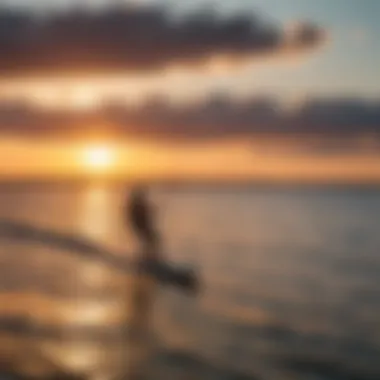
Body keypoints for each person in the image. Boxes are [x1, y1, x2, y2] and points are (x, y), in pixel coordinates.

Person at [124, 186, 199, 295]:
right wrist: (149, 213)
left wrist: (152, 211)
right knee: (152, 242)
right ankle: (150, 262)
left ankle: (151, 261)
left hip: (143, 228)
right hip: (142, 228)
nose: (144, 196)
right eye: (142, 195)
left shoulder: (137, 204)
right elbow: (140, 217)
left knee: (152, 243)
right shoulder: (136, 205)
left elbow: (144, 214)